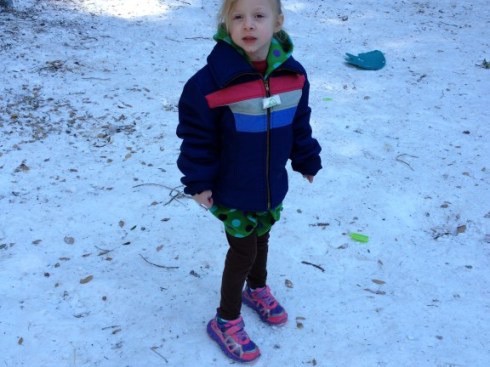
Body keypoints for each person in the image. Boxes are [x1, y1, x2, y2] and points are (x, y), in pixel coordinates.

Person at [176, 0, 322, 362]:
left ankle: (256, 289)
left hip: (271, 185)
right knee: (243, 251)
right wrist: (198, 181)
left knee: (263, 238)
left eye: (259, 16)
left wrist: (305, 158)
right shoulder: (209, 82)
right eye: (238, 17)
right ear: (226, 23)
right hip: (232, 189)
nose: (248, 25)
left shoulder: (294, 76)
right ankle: (225, 320)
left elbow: (299, 124)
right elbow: (196, 137)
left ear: (278, 22)